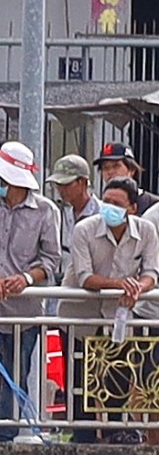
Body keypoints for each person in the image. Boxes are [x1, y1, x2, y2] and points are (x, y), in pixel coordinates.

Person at [0, 140, 62, 441]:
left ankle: (5, 429)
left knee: (17, 367)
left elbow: (51, 259)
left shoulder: (46, 211)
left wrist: (25, 279)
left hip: (25, 306)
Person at [65, 181, 159, 441]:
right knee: (80, 379)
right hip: (81, 315)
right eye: (106, 201)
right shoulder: (85, 229)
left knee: (118, 374)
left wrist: (138, 288)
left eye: (117, 204)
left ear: (132, 208)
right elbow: (85, 277)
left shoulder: (146, 230)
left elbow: (151, 272)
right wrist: (120, 285)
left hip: (120, 315)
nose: (109, 208)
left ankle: (118, 434)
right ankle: (81, 437)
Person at [50, 153, 99, 230]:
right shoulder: (62, 215)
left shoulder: (102, 214)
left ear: (83, 182)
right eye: (58, 184)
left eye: (66, 184)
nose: (61, 189)